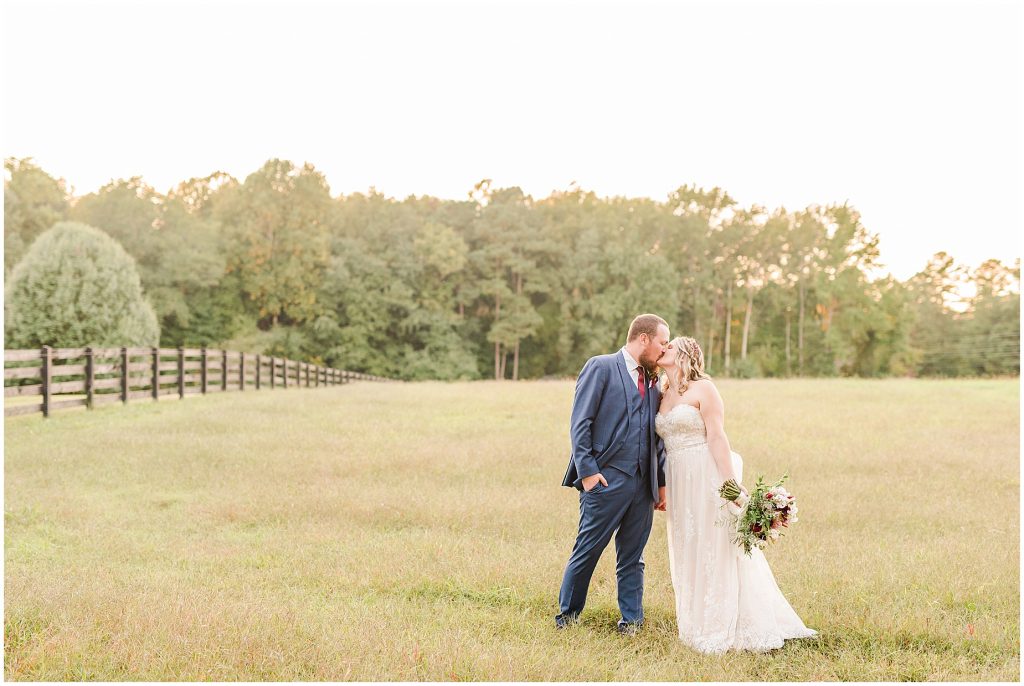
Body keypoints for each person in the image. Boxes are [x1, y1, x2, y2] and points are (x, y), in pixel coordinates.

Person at [655, 336, 817, 653]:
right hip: (678, 480)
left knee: (715, 547)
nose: (664, 349)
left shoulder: (705, 389)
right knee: (688, 547)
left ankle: (723, 623)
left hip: (705, 474)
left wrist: (730, 486)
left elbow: (717, 437)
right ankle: (694, 621)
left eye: (670, 346)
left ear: (685, 354)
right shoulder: (662, 391)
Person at [556, 314, 670, 634]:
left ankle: (631, 621)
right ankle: (568, 616)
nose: (664, 350)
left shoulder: (653, 381)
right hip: (606, 479)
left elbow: (656, 439)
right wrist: (590, 474)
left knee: (633, 557)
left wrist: (659, 485)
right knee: (588, 549)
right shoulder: (601, 366)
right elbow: (581, 423)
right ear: (643, 338)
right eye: (662, 342)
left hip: (642, 485)